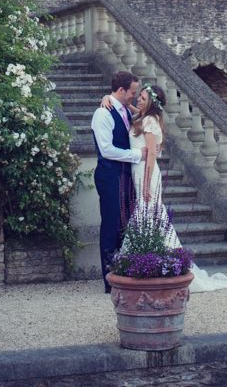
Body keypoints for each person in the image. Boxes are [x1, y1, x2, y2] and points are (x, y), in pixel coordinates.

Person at [103, 85, 227, 293]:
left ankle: (156, 263)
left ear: (151, 102)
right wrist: (107, 97)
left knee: (149, 216)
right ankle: (148, 262)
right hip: (137, 172)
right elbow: (125, 104)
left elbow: (152, 156)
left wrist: (146, 185)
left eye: (143, 98)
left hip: (147, 173)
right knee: (146, 217)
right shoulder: (143, 116)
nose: (138, 100)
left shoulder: (150, 121)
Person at [91, 71, 143, 293]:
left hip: (125, 175)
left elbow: (146, 113)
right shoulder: (102, 114)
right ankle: (109, 282)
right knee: (111, 226)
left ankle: (123, 275)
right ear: (121, 90)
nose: (134, 95)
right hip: (110, 175)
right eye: (132, 92)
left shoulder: (124, 110)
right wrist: (137, 154)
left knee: (125, 225)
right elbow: (107, 150)